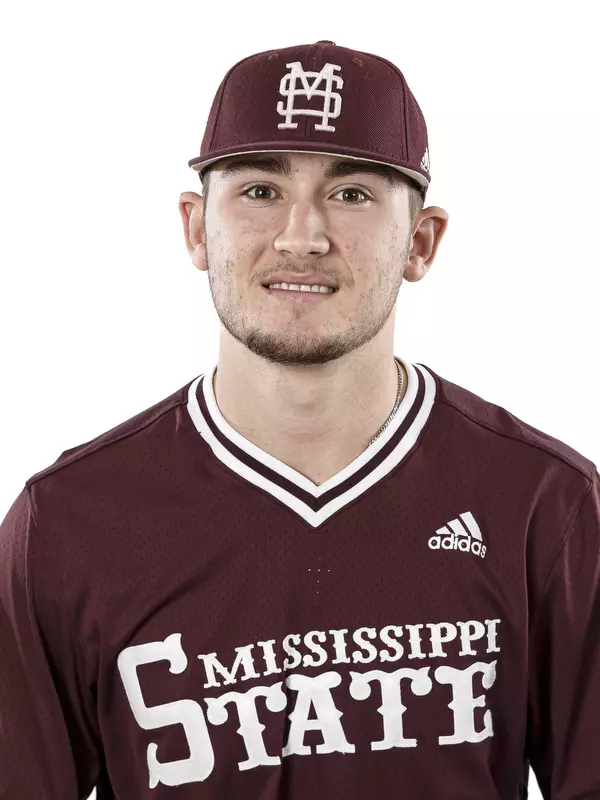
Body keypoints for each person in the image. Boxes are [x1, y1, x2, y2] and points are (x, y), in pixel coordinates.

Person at [0, 40, 598, 800]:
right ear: (194, 228)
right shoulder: (66, 524)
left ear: (421, 242)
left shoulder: (545, 506)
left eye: (352, 194)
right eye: (259, 191)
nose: (302, 236)